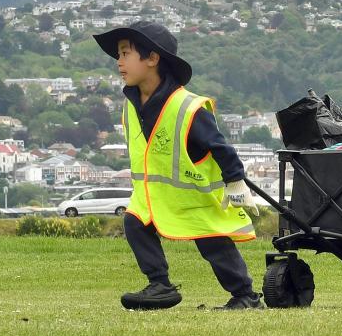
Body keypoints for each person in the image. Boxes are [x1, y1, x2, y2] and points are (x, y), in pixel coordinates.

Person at [94, 21, 263, 310]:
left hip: (194, 196)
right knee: (134, 222)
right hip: (152, 197)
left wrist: (236, 183)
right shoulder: (131, 104)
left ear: (152, 59)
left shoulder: (189, 106)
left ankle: (245, 296)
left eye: (125, 53)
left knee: (213, 243)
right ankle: (160, 286)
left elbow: (221, 147)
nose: (118, 62)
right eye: (118, 55)